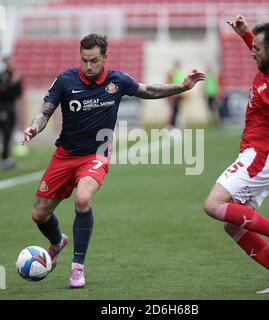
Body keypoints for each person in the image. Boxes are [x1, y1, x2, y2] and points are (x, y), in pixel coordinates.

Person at [22, 34, 205, 289]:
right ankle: (57, 242)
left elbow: (148, 90)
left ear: (105, 58)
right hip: (64, 155)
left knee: (83, 199)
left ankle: (77, 267)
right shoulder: (65, 80)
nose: (88, 66)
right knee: (39, 214)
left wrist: (183, 87)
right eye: (84, 60)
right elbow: (44, 112)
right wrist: (33, 128)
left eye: (94, 61)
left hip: (95, 155)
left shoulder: (116, 80)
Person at [203, 15, 269, 294]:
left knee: (212, 205)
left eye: (256, 48)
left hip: (259, 156)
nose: (251, 51)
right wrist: (246, 34)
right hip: (256, 154)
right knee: (234, 226)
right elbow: (261, 50)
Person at [0, 55, 23, 169]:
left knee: (9, 133)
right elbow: (3, 92)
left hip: (11, 107)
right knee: (5, 132)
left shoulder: (14, 74)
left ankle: (6, 157)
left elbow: (18, 93)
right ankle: (5, 158)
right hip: (3, 107)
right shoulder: (2, 75)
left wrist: (17, 82)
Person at [165, 60, 185, 129]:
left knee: (176, 111)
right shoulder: (172, 72)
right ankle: (170, 125)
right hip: (173, 95)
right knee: (173, 111)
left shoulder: (180, 73)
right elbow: (168, 83)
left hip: (178, 95)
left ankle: (174, 125)